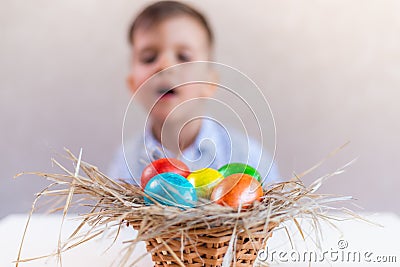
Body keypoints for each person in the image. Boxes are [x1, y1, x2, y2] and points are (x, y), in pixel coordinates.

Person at [108, 1, 280, 186]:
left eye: (183, 57)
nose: (165, 66)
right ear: (133, 85)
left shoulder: (248, 156)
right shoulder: (125, 165)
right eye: (149, 58)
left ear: (209, 83)